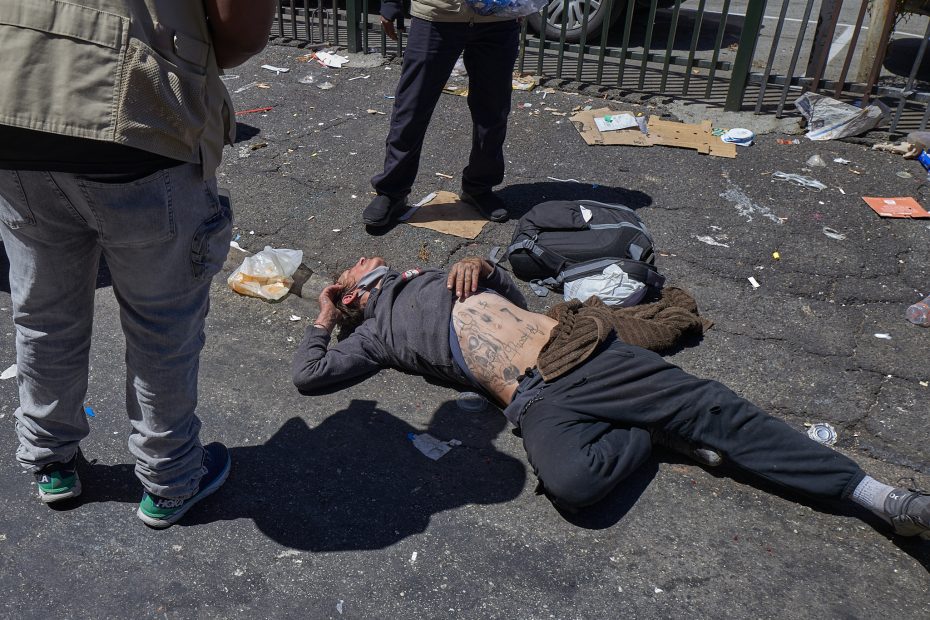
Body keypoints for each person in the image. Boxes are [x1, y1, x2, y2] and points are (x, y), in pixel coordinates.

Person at [292, 256, 930, 539]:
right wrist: (323, 312)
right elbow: (309, 377)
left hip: (576, 350)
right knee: (571, 485)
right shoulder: (375, 334)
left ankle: (880, 498)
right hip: (536, 398)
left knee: (717, 409)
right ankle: (649, 430)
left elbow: (517, 302)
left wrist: (490, 268)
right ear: (354, 296)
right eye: (347, 274)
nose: (354, 264)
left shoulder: (437, 272)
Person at [0, 0, 276, 528]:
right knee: (161, 325)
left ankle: (50, 460)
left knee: (44, 313)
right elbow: (242, 29)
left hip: (15, 106)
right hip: (136, 117)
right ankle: (171, 478)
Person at [362, 0, 520, 227]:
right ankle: (392, 192)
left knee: (493, 110)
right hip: (436, 15)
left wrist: (526, 5)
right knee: (411, 108)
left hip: (498, 18)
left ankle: (479, 186)